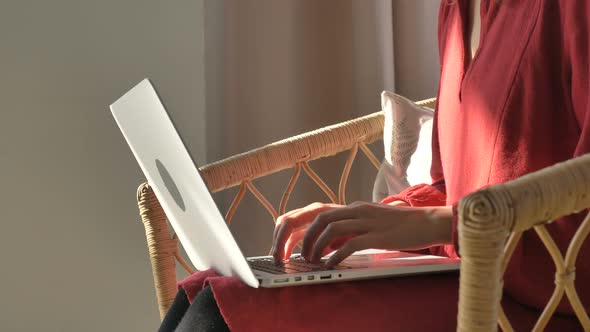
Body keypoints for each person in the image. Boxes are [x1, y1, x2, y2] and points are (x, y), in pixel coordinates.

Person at [160, 0, 590, 331]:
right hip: (464, 273)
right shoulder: (456, 12)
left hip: (544, 300)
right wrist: (382, 217)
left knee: (222, 316)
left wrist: (444, 223)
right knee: (208, 289)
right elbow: (452, 184)